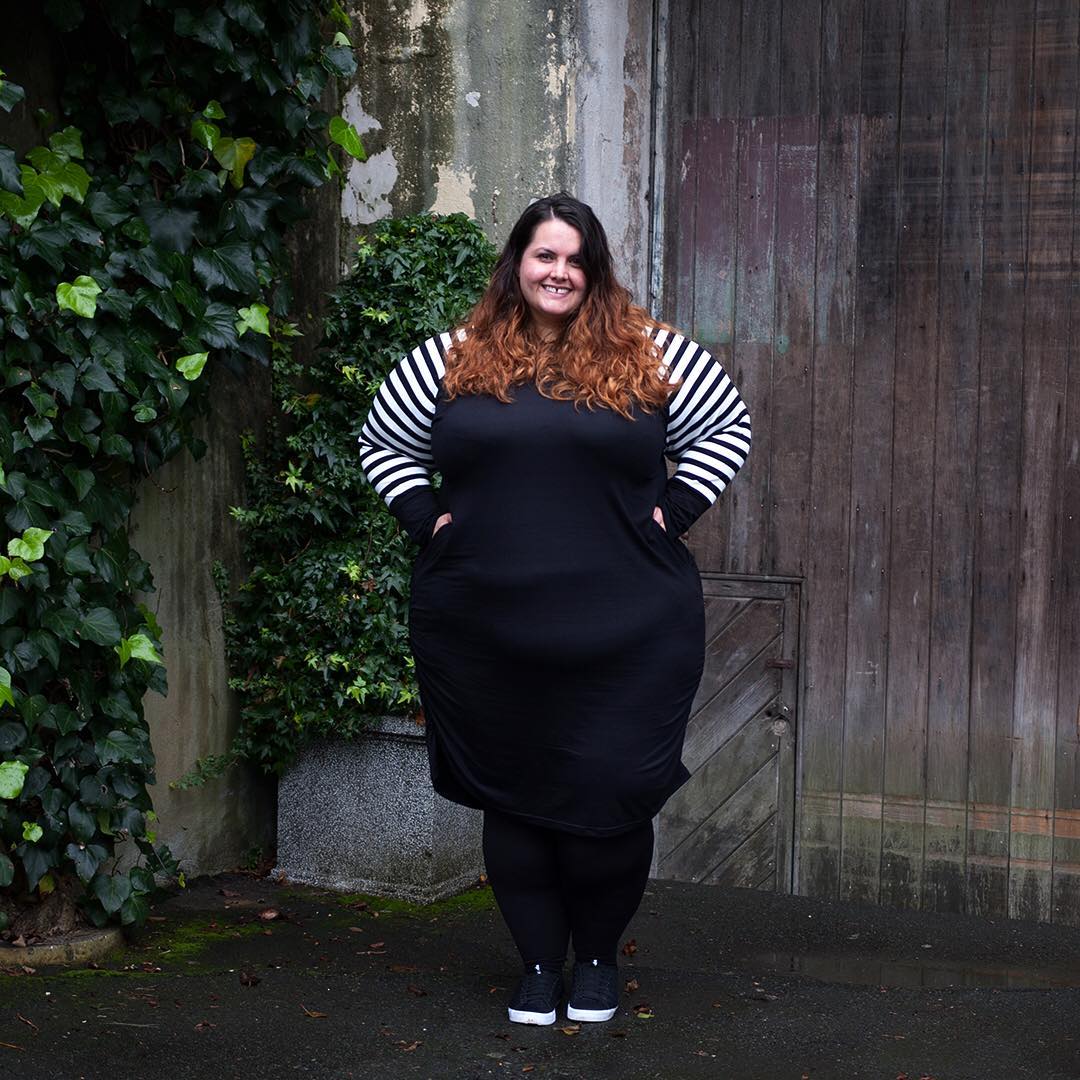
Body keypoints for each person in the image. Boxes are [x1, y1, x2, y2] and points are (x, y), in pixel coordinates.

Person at [358, 193, 751, 1026]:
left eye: (575, 259)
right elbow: (383, 441)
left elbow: (728, 425)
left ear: (594, 269)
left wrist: (670, 512)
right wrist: (424, 520)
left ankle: (598, 961)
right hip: (484, 628)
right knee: (516, 795)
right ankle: (538, 964)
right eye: (545, 256)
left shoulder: (651, 353)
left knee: (611, 796)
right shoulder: (453, 357)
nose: (559, 272)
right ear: (517, 264)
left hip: (631, 631)